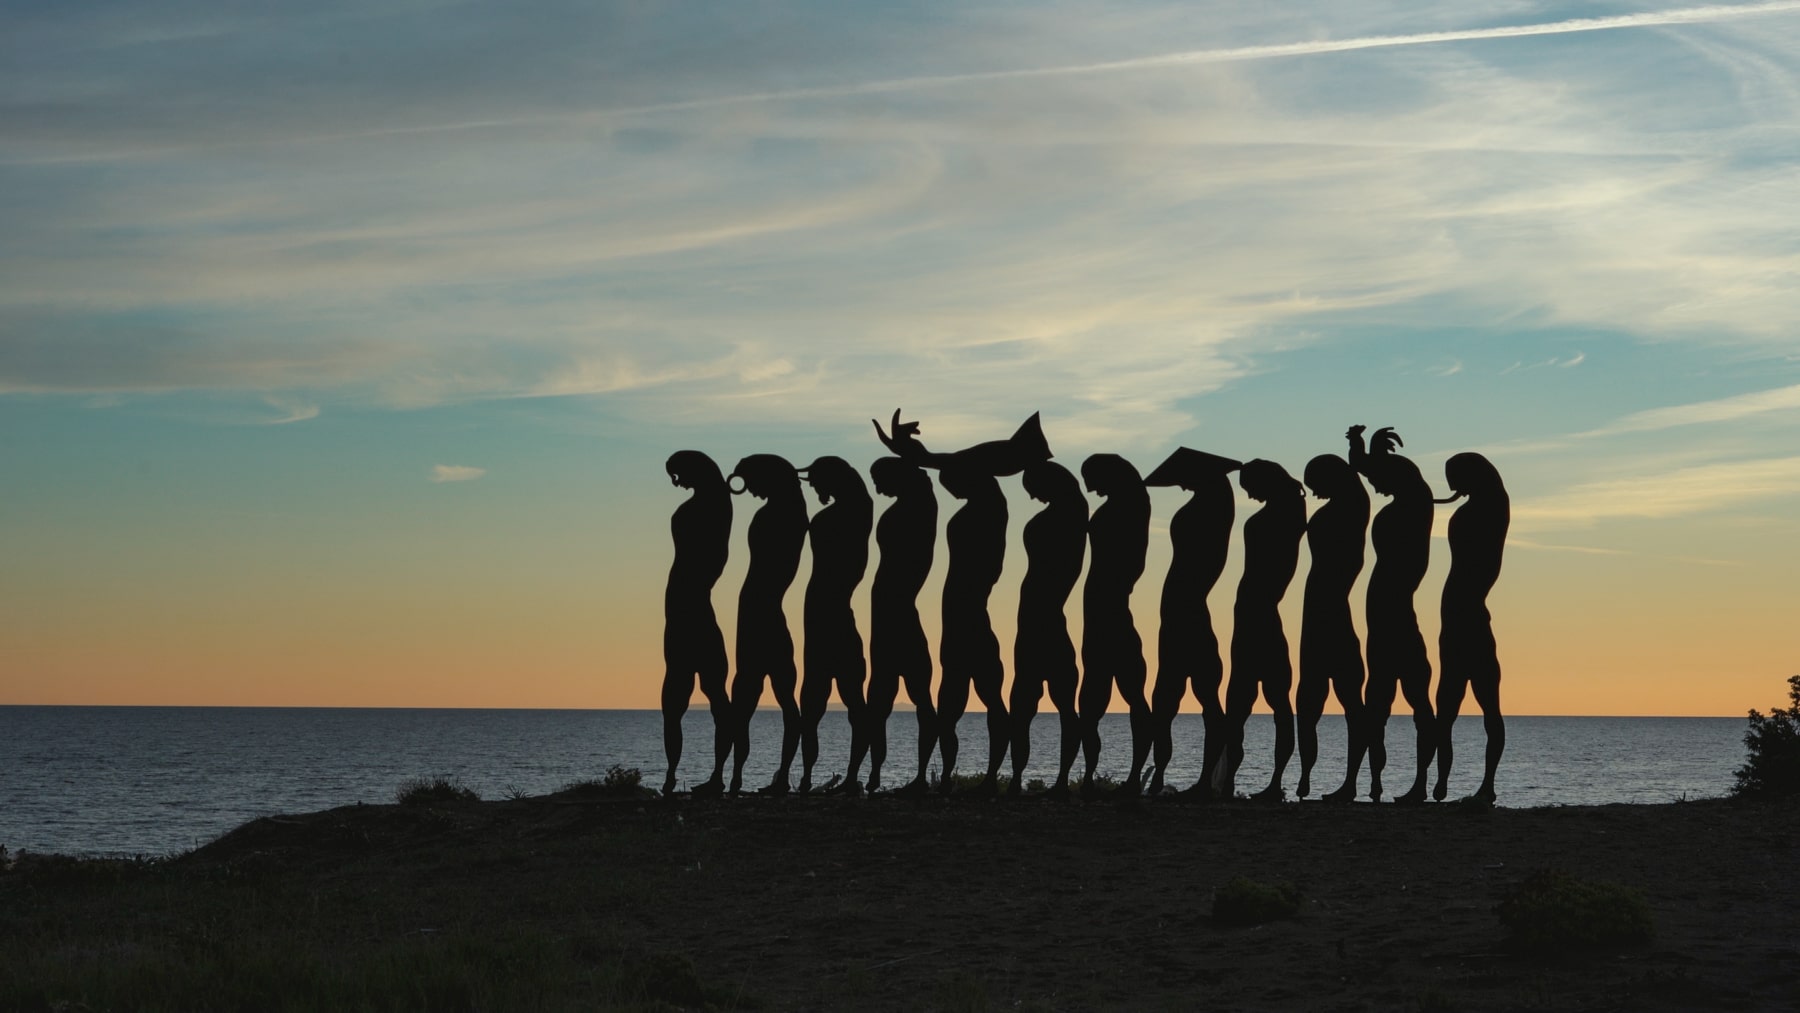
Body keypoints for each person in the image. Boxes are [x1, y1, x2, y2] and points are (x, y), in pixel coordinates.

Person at [1143, 448, 1240, 798]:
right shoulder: (1211, 504)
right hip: (1180, 611)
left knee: (1188, 698)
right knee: (1172, 699)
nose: (1181, 486)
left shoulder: (1212, 508)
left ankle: (1207, 780)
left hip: (1186, 611)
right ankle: (1166, 778)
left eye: (1185, 478)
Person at [1347, 426, 1435, 803]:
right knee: (1377, 703)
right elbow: (1365, 469)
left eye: (1380, 480)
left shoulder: (1416, 502)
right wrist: (1360, 448)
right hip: (1383, 614)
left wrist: (1370, 454)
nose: (1374, 486)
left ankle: (1417, 784)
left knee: (1410, 700)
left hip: (1395, 612)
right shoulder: (1404, 503)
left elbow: (1380, 473)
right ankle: (1368, 784)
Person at [1218, 459, 1306, 800]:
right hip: (1254, 613)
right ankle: (1230, 780)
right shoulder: (1289, 513)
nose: (1248, 495)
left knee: (1257, 703)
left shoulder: (1284, 516)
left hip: (1259, 613)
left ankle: (1262, 782)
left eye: (1250, 487)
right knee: (1255, 703)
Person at [724, 454, 809, 795]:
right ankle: (741, 777)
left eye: (753, 482)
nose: (753, 492)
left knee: (748, 698)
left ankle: (734, 778)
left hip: (760, 612)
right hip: (761, 611)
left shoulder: (781, 515)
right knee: (767, 697)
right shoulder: (791, 514)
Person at [1007, 461, 1089, 797]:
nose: (1032, 497)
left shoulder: (1072, 512)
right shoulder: (1068, 512)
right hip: (1033, 621)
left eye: (1034, 489)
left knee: (1056, 704)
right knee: (1024, 706)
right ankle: (1016, 778)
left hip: (1045, 619)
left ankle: (1057, 780)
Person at [1432, 452, 1510, 803]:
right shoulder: (1481, 506)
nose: (1453, 488)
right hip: (1457, 619)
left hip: (1469, 618)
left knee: (1485, 707)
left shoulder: (1493, 505)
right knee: (1447, 709)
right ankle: (1440, 784)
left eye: (1457, 478)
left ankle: (1485, 786)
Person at [1076, 454, 1152, 797]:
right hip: (1098, 611)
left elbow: (1133, 561)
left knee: (1127, 693)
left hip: (1111, 608)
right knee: (1092, 699)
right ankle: (1089, 776)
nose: (1090, 487)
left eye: (1092, 477)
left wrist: (1119, 586)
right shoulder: (1122, 506)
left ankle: (1133, 775)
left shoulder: (1132, 506)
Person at [796, 456, 874, 795]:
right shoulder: (842, 515)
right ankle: (810, 778)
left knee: (834, 702)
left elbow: (861, 495)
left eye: (816, 482)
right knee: (820, 703)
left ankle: (832, 777)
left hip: (828, 615)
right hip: (823, 616)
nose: (813, 488)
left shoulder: (853, 513)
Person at [1296, 454, 1370, 802]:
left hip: (1331, 611)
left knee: (1349, 700)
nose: (1313, 492)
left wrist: (1358, 452)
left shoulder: (1353, 505)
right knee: (1309, 701)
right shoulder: (1344, 506)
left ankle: (1351, 781)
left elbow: (1357, 486)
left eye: (1316, 483)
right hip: (1316, 612)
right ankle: (1304, 777)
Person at [865, 457, 940, 795]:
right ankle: (873, 777)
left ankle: (922, 775)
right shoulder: (907, 507)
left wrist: (908, 451)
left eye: (881, 480)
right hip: (884, 617)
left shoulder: (920, 506)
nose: (878, 488)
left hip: (898, 615)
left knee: (918, 696)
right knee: (879, 702)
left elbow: (923, 489)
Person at [936, 463, 1010, 795]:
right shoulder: (976, 511)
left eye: (951, 481)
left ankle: (992, 777)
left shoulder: (991, 511)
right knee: (949, 706)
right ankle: (945, 777)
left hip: (970, 617)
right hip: (954, 621)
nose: (948, 490)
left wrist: (918, 455)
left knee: (990, 697)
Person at [661, 451, 733, 797]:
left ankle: (710, 775)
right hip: (683, 609)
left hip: (690, 608)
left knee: (702, 694)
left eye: (678, 474)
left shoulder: (716, 507)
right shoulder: (713, 506)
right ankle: (675, 775)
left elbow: (716, 558)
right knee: (683, 697)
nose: (676, 482)